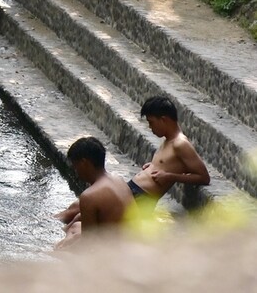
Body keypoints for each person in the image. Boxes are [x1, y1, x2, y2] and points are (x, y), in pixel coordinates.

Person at [55, 96, 210, 227]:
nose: (150, 128)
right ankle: (51, 221)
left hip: (142, 197)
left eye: (151, 122)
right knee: (76, 206)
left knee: (80, 217)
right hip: (132, 189)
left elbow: (203, 177)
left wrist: (170, 176)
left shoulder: (181, 144)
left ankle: (56, 231)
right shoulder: (168, 140)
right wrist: (153, 166)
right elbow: (167, 164)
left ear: (164, 120)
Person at [55, 136, 135, 250]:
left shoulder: (89, 196)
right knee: (76, 226)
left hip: (114, 252)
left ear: (83, 162)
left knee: (57, 251)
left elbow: (88, 244)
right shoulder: (119, 181)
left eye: (75, 166)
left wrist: (61, 251)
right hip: (131, 242)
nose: (75, 171)